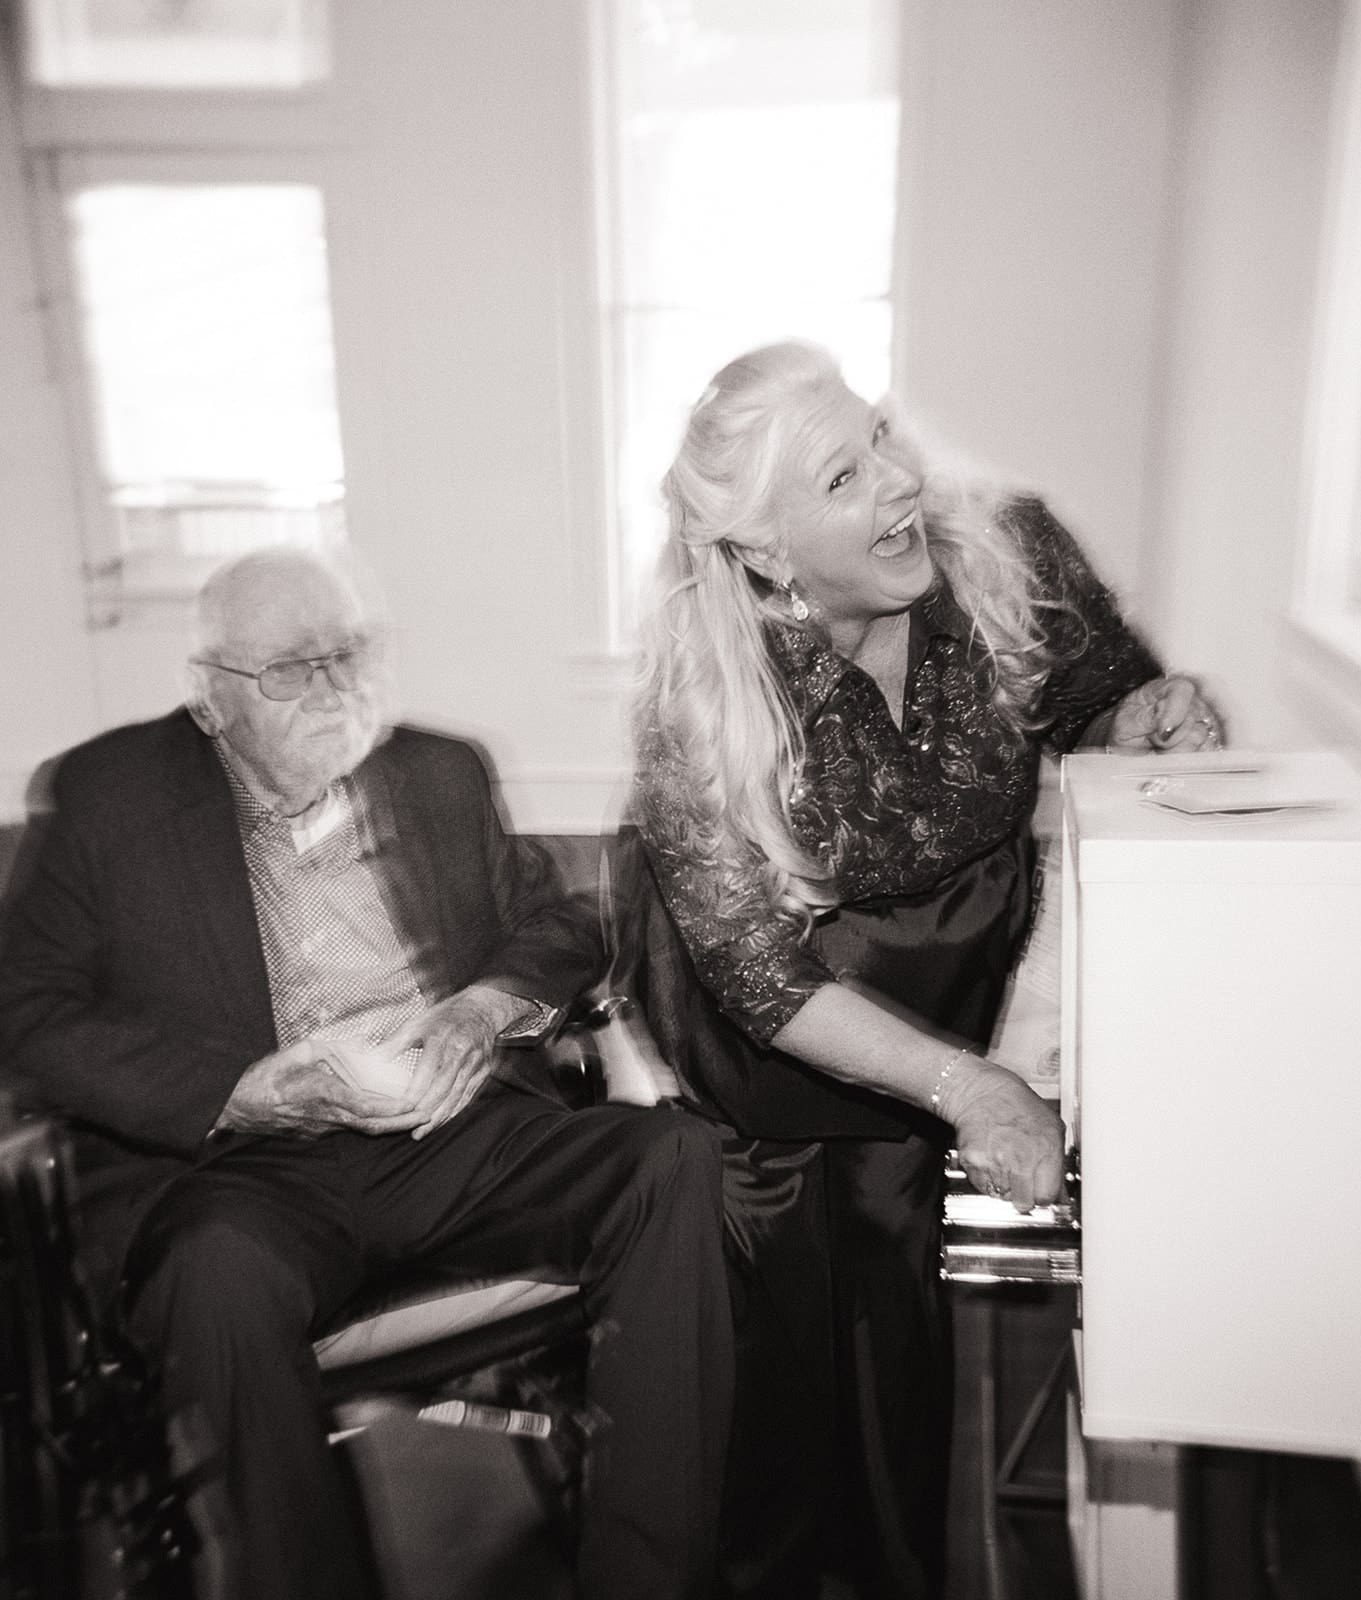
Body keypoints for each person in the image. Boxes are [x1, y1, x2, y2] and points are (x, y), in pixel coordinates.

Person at [0, 547, 732, 1600]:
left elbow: (570, 925)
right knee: (217, 1276)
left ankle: (648, 1577)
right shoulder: (109, 799)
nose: (335, 688)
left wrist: (485, 1011)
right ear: (210, 700)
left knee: (673, 1157)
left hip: (455, 1137)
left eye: (346, 654)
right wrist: (246, 1087)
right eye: (292, 670)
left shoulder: (437, 771)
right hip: (245, 1168)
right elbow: (27, 1015)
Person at [624, 340, 1223, 1599]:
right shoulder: (703, 689)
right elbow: (761, 975)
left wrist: (1138, 719)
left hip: (939, 983)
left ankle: (896, 1569)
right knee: (778, 1326)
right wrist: (971, 1089)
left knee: (896, 1317)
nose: (900, 484)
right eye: (844, 478)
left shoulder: (1006, 547)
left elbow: (1095, 697)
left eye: (881, 438)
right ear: (765, 552)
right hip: (775, 1020)